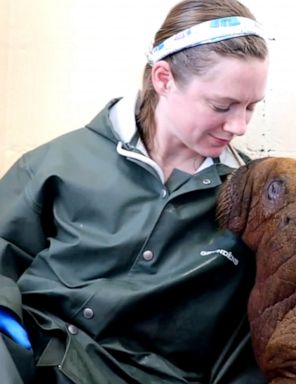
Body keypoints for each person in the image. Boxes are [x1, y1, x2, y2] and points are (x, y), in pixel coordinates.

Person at [0, 0, 269, 382]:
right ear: (164, 79)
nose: (239, 126)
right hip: (31, 359)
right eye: (222, 106)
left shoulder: (250, 201)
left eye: (251, 108)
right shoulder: (57, 164)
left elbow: (247, 348)